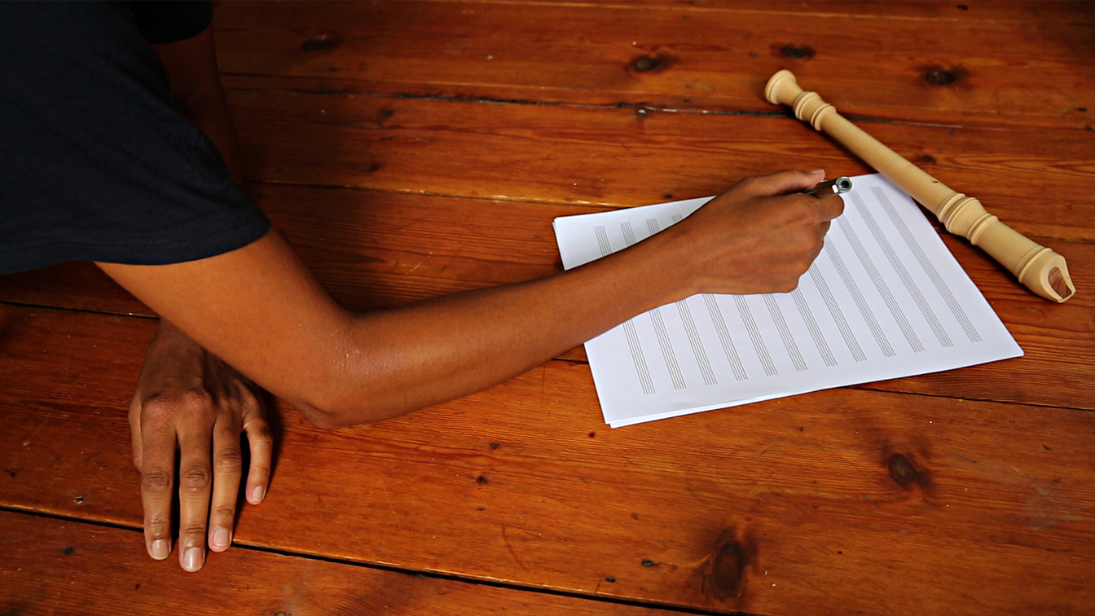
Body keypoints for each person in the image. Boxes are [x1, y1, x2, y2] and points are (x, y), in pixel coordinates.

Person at [0, 2, 843, 573]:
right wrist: (687, 259)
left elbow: (184, 95)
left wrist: (193, 318)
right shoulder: (42, 54)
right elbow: (337, 376)